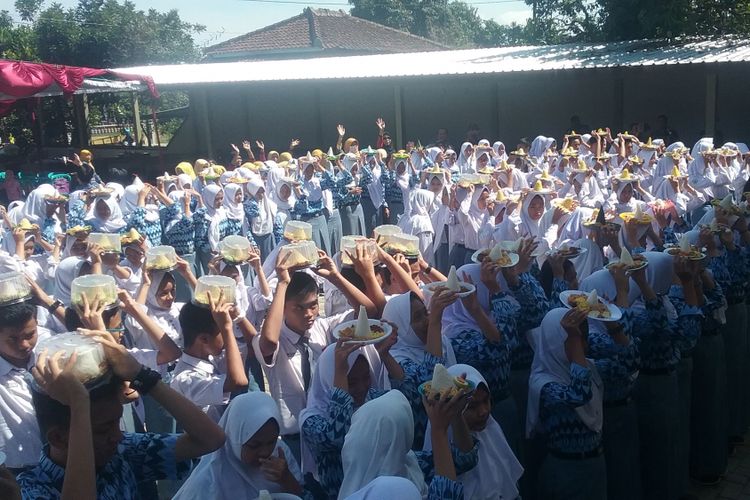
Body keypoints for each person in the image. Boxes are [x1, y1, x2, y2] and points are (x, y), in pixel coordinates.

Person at [18, 329, 225, 499]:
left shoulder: (123, 453)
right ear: (58, 438)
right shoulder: (28, 490)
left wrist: (141, 375)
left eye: (117, 421)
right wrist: (79, 405)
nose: (117, 435)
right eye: (102, 429)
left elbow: (211, 439)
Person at [173, 392, 308, 500]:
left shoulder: (279, 453)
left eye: (271, 442)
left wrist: (286, 478)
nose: (265, 451)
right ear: (235, 439)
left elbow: (298, 495)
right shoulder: (210, 479)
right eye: (254, 445)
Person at [170, 296, 249, 422]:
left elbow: (253, 346)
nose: (228, 337)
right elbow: (238, 381)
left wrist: (238, 317)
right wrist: (227, 328)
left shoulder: (211, 358)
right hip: (207, 441)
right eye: (221, 333)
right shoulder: (185, 379)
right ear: (204, 339)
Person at [0, 301, 48, 472]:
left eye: (30, 335)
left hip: (66, 459)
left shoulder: (52, 350)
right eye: (13, 339)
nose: (24, 345)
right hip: (20, 468)